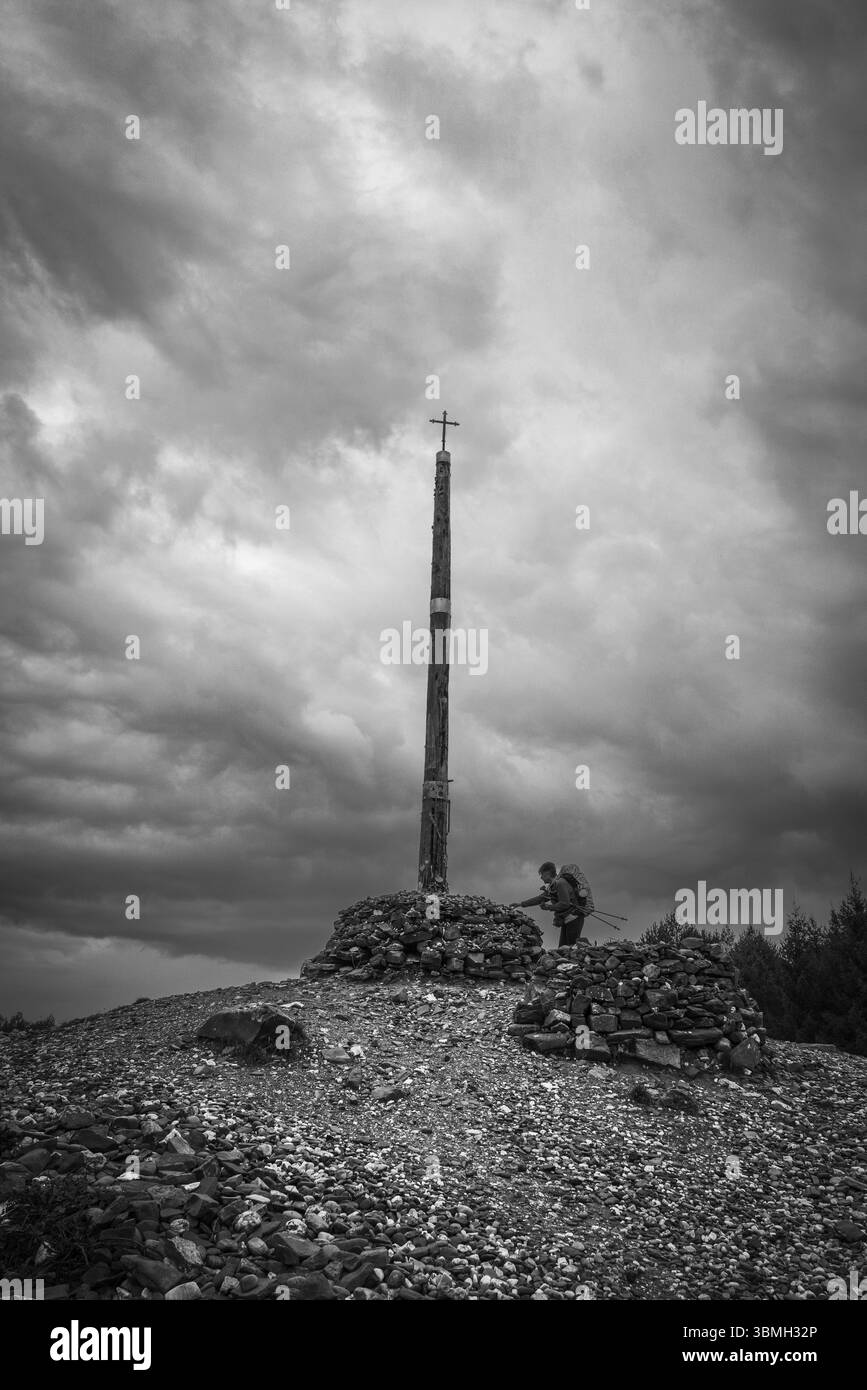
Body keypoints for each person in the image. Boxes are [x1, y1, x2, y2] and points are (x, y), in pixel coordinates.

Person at [515, 861, 589, 946]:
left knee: (570, 948)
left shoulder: (560, 883)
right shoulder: (552, 886)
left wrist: (548, 907)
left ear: (547, 874)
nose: (541, 878)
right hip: (568, 919)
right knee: (564, 948)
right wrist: (521, 904)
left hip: (574, 918)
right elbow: (540, 898)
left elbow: (565, 903)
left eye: (541, 875)